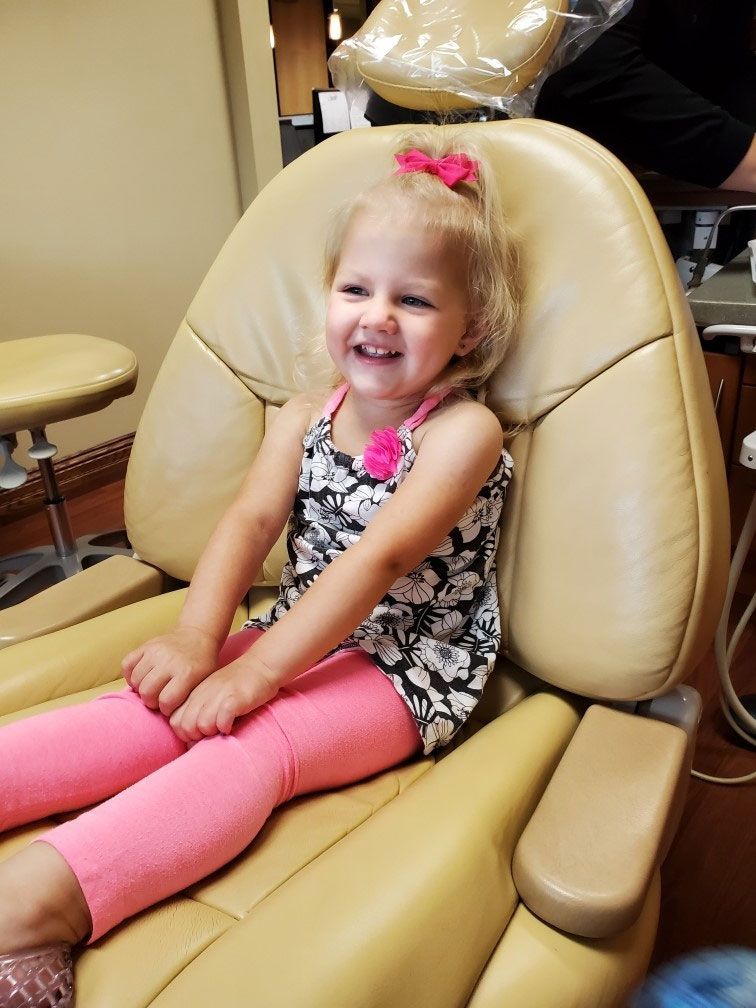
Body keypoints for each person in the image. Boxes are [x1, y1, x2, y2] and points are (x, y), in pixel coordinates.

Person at [0, 128, 520, 1007]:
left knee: (255, 745)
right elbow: (247, 522)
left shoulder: (464, 432)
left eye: (416, 299)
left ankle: (35, 910)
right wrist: (199, 640)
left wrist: (260, 679)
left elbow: (382, 557)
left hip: (406, 671)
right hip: (297, 633)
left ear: (473, 327)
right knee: (153, 708)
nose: (377, 315)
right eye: (356, 288)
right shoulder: (306, 414)